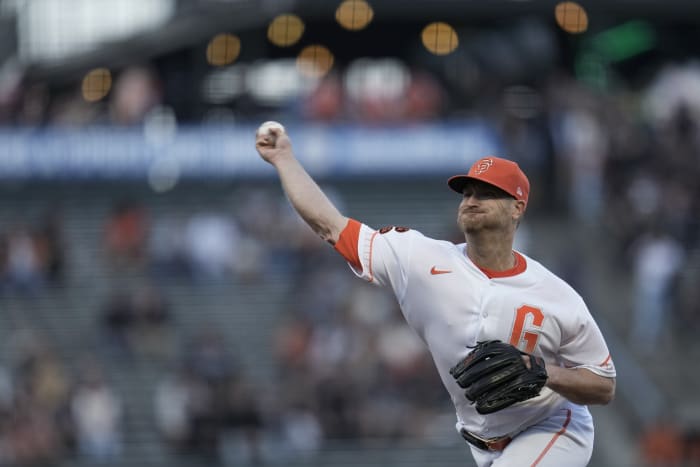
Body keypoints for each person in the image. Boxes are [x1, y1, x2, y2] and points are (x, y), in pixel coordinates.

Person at [255, 124, 616, 467]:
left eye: (487, 193)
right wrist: (284, 159)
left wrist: (544, 372)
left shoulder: (557, 296)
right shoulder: (419, 257)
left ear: (517, 207)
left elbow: (604, 385)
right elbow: (330, 225)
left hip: (553, 426)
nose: (472, 200)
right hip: (482, 441)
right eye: (468, 192)